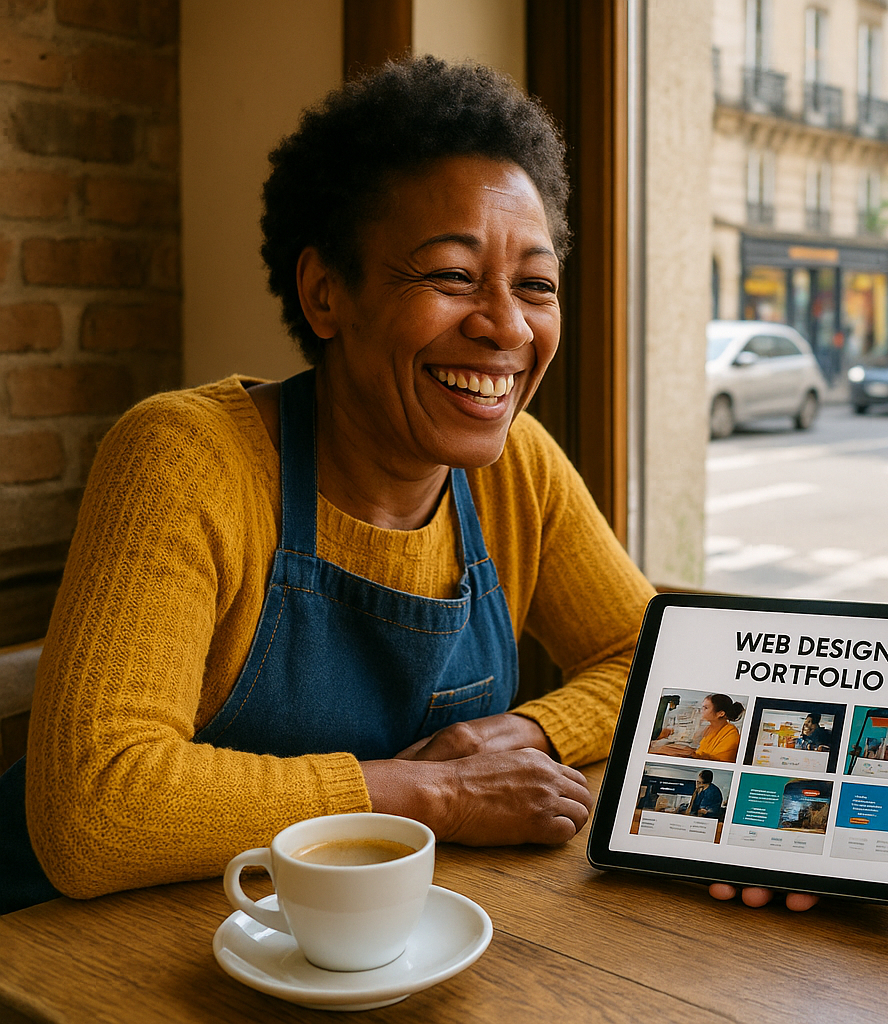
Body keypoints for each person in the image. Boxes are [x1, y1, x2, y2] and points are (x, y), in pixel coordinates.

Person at [0, 58, 655, 914]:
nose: (506, 326)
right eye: (452, 276)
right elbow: (97, 809)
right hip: (75, 945)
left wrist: (519, 733)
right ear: (324, 294)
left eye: (536, 286)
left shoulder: (519, 468)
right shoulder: (185, 457)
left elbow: (653, 664)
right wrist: (434, 795)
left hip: (342, 936)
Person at [650, 694, 744, 763]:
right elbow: (699, 750)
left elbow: (720, 761)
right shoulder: (708, 728)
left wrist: (689, 753)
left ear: (721, 714)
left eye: (706, 708)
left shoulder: (731, 733)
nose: (701, 711)